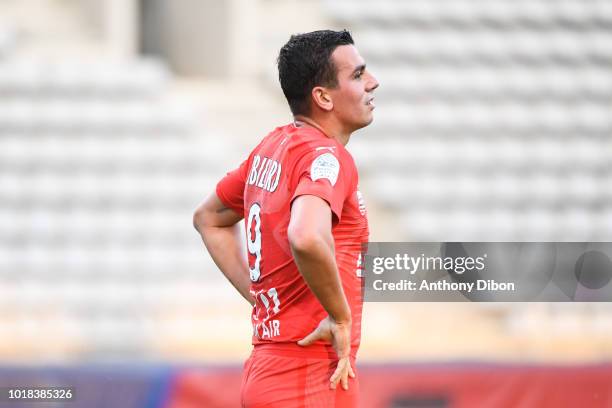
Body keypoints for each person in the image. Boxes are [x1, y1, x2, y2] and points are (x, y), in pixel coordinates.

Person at [193, 29, 379, 407]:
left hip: (269, 368)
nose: (373, 82)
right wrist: (340, 317)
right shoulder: (326, 157)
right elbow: (306, 236)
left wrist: (264, 300)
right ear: (323, 97)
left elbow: (208, 217)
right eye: (358, 75)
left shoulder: (272, 147)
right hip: (310, 376)